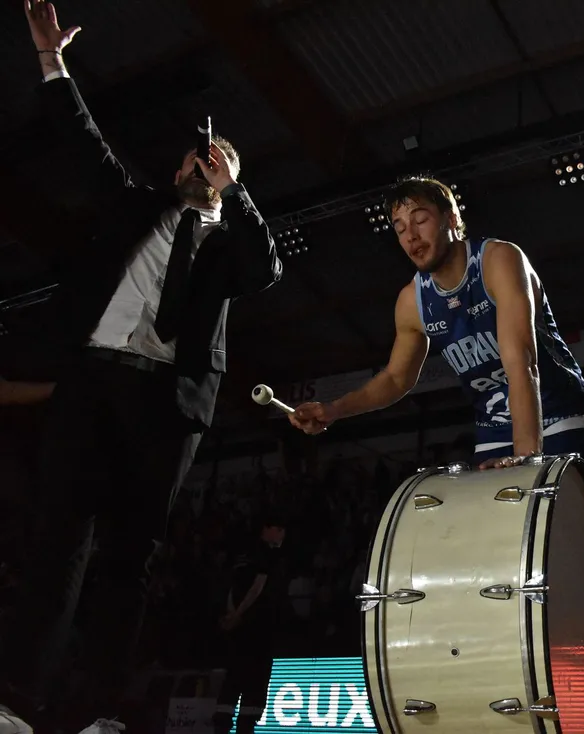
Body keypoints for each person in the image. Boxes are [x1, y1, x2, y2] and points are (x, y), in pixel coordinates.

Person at [0, 3, 282, 732]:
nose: (199, 165)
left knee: (131, 558)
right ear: (174, 168)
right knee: (57, 540)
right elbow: (81, 138)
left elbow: (265, 268)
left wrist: (238, 188)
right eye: (192, 159)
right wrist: (50, 63)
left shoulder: (227, 246)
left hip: (167, 402)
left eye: (211, 162)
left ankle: (98, 713)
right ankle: (16, 704)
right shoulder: (133, 208)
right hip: (93, 381)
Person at [287, 177, 584, 477]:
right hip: (494, 426)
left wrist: (526, 457)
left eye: (420, 220)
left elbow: (521, 364)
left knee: (555, 521)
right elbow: (396, 379)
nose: (410, 235)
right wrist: (333, 410)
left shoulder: (499, 260)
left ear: (450, 219)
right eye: (400, 228)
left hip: (558, 411)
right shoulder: (412, 300)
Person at [213, 514, 288, 734]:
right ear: (267, 529)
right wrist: (239, 613)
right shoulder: (267, 554)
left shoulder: (241, 555)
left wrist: (231, 614)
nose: (282, 535)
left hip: (238, 629)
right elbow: (258, 586)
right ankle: (245, 726)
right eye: (279, 529)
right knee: (255, 678)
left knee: (234, 676)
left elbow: (230, 589)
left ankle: (222, 724)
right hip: (257, 628)